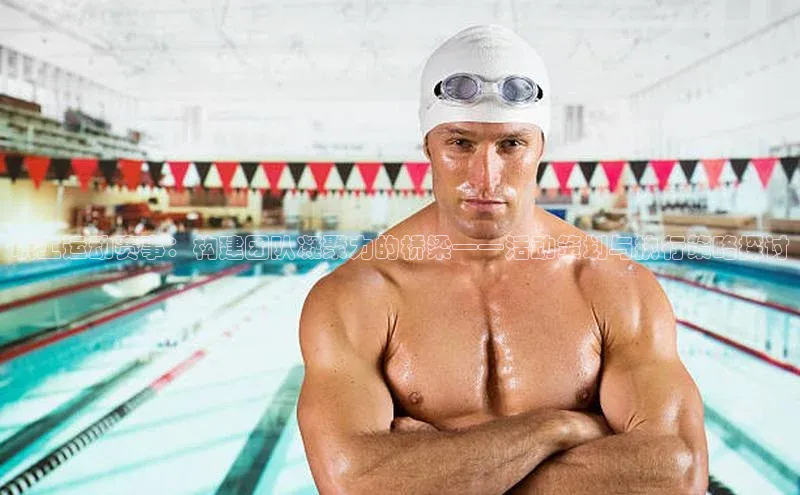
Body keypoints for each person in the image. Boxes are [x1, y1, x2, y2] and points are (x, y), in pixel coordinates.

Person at [297, 24, 708, 494]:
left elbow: (677, 474)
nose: (486, 177)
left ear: (540, 147)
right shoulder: (357, 297)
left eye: (511, 144)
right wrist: (557, 427)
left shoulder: (615, 287)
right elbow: (353, 484)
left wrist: (439, 474)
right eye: (460, 143)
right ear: (428, 145)